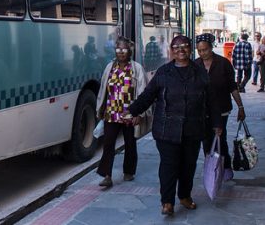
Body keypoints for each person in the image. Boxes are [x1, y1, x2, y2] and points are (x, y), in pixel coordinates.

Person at [125, 35, 222, 216]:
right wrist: (132, 110)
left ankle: (184, 196)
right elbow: (148, 95)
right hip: (166, 130)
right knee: (169, 165)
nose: (181, 50)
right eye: (176, 47)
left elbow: (212, 101)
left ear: (190, 49)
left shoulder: (200, 73)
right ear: (172, 50)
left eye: (184, 46)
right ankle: (167, 202)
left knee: (188, 165)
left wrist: (217, 123)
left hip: (192, 129)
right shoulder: (163, 72)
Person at [95, 37, 147, 187]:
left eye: (124, 49)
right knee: (108, 143)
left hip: (129, 113)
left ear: (129, 51)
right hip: (111, 113)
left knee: (130, 143)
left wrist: (139, 113)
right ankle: (107, 175)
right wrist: (101, 110)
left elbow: (143, 92)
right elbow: (103, 90)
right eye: (118, 49)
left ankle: (129, 171)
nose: (121, 52)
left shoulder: (136, 68)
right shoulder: (109, 67)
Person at [195, 33, 246, 182]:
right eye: (199, 50)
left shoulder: (223, 63)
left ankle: (226, 166)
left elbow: (233, 87)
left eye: (205, 49)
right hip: (202, 110)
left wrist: (241, 107)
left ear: (211, 48)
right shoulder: (195, 65)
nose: (202, 53)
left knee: (220, 138)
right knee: (206, 139)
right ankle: (211, 167)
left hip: (222, 107)